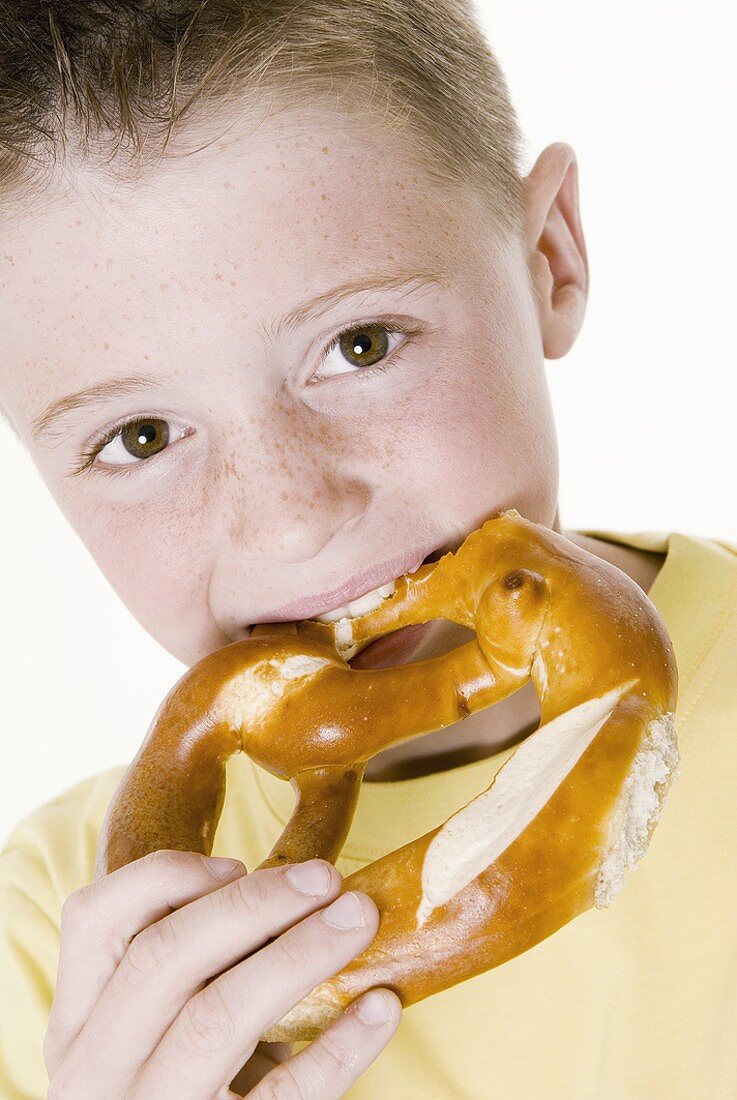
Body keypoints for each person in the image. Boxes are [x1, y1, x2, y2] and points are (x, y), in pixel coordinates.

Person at [0, 1, 735, 1097]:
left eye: (358, 345)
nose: (291, 517)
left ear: (549, 257)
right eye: (139, 436)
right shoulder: (50, 954)